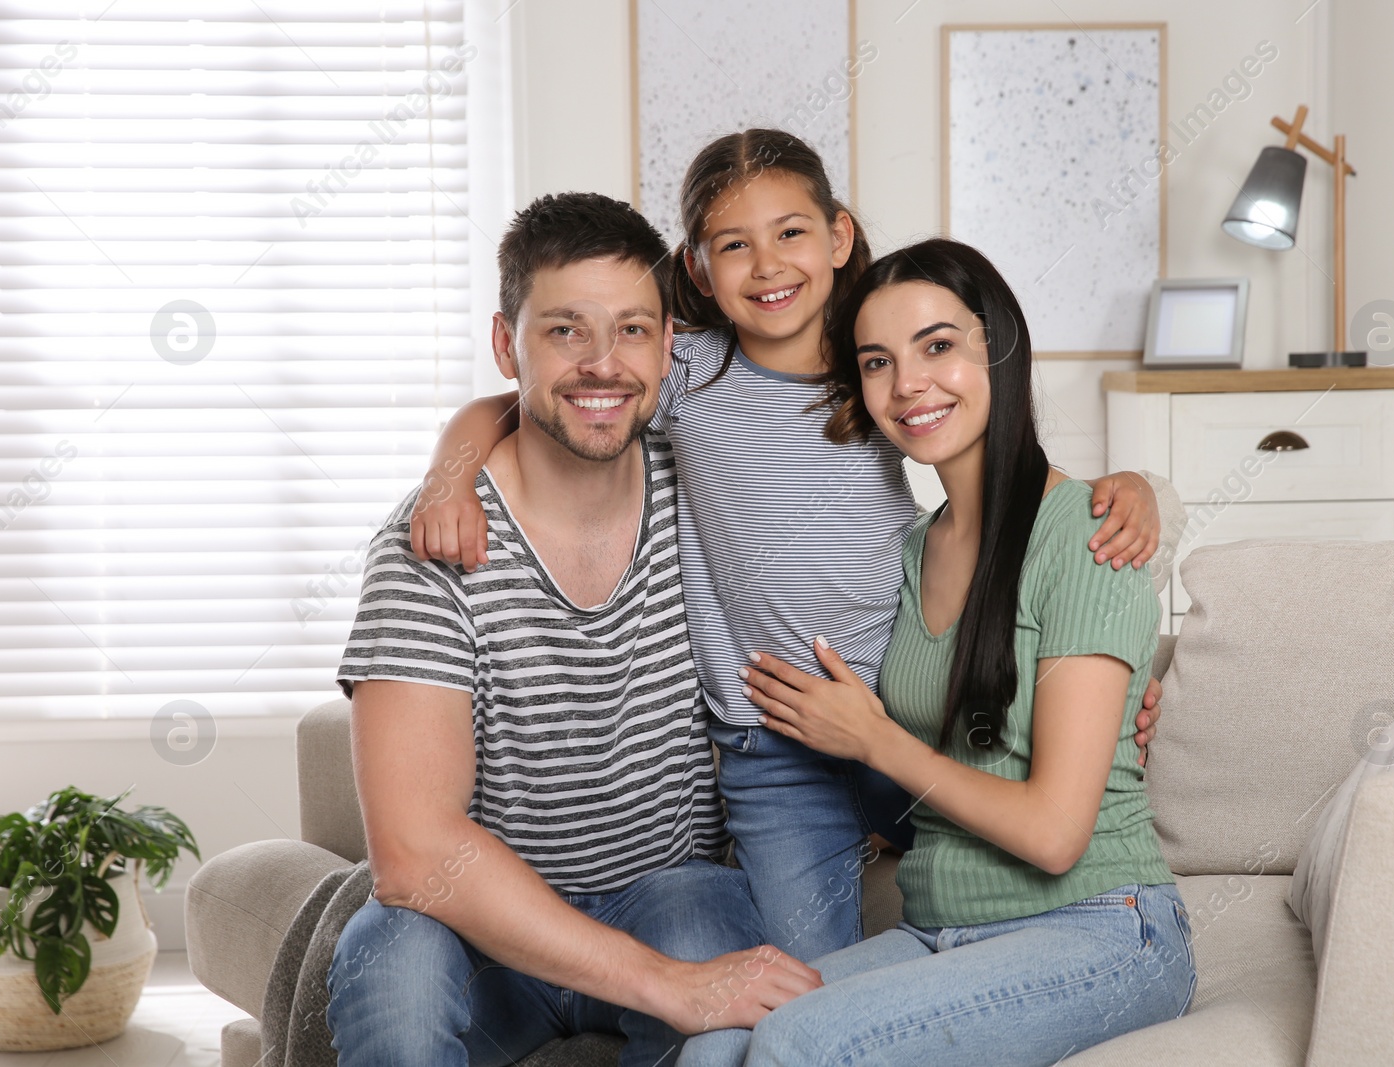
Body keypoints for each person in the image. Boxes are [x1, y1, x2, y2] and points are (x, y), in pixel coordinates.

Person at [409, 128, 1167, 964]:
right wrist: (449, 477)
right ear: (697, 270)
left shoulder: (876, 363)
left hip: (903, 702)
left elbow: (1012, 474)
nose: (767, 265)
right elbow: (514, 404)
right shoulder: (682, 370)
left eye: (791, 233)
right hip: (771, 749)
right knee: (802, 973)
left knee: (992, 860)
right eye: (735, 245)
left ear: (839, 237)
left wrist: (1132, 485)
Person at [325, 192, 820, 1067]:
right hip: (476, 928)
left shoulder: (708, 483)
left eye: (631, 330)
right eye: (565, 331)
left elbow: (904, 509)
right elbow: (412, 851)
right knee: (390, 965)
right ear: (505, 345)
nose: (603, 364)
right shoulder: (432, 542)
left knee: (723, 951)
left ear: (669, 345)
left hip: (670, 892)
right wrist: (663, 985)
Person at [702, 238, 1195, 1066]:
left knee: (798, 1042)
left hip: (1102, 925)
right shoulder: (911, 550)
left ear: (999, 345)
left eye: (937, 346)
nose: (908, 386)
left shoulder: (1085, 534)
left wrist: (874, 740)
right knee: (717, 1039)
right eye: (877, 361)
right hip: (941, 930)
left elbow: (1053, 835)